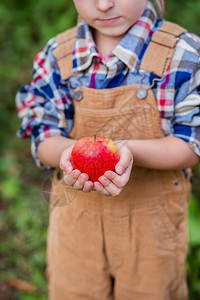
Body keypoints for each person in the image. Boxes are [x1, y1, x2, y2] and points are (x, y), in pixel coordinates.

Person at [16, 0, 200, 299]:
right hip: (77, 227)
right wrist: (68, 154)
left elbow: (191, 143)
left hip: (152, 233)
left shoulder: (184, 55)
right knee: (74, 291)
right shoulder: (57, 57)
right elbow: (43, 133)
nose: (104, 4)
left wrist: (129, 151)